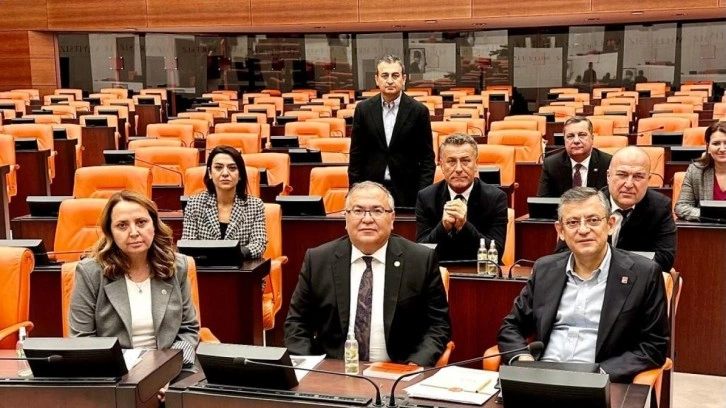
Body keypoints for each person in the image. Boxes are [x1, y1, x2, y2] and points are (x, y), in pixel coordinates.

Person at [498, 187, 669, 383]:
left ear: (611, 224)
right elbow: (511, 326)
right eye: (572, 222)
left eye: (593, 220)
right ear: (560, 231)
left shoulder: (644, 274)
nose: (583, 229)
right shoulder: (545, 269)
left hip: (599, 380)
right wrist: (523, 359)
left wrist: (600, 373)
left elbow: (654, 346)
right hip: (542, 377)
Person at [284, 181, 451, 366]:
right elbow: (296, 324)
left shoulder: (420, 260)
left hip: (398, 370)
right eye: (358, 211)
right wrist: (313, 367)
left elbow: (438, 326)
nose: (367, 219)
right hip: (333, 370)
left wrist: (415, 365)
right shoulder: (318, 260)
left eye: (377, 211)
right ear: (345, 218)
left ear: (392, 218)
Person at [69, 190, 200, 398]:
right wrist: (128, 380)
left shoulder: (177, 266)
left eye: (141, 222)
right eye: (122, 225)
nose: (134, 232)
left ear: (154, 225)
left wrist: (165, 373)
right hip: (113, 375)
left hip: (171, 370)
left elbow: (189, 330)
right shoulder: (90, 272)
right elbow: (82, 339)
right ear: (110, 232)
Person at [348, 55, 435, 208]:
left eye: (395, 75)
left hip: (408, 192)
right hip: (371, 191)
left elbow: (427, 159)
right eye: (384, 75)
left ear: (404, 79)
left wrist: (422, 196)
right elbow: (356, 156)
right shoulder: (363, 109)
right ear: (376, 79)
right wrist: (355, 193)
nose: (389, 81)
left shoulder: (418, 111)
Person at [416, 133, 508, 261]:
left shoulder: (496, 198)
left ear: (476, 164)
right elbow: (421, 252)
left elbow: (496, 251)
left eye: (465, 161)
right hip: (440, 270)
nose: (459, 169)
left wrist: (464, 226)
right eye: (451, 161)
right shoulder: (426, 197)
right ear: (441, 166)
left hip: (479, 270)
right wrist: (443, 227)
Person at [182, 145, 267, 259]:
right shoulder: (194, 204)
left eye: (232, 168)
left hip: (240, 267)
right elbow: (188, 243)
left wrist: (235, 254)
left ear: (240, 174)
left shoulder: (255, 205)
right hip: (204, 268)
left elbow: (259, 244)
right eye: (218, 167)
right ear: (210, 173)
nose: (225, 173)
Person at [538, 116, 612, 197]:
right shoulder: (551, 164)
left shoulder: (607, 163)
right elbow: (543, 201)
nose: (576, 141)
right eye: (570, 136)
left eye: (582, 135)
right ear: (564, 140)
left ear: (592, 138)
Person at [675, 122, 726, 221]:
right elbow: (681, 207)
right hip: (707, 228)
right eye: (716, 143)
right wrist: (711, 215)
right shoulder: (696, 171)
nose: (722, 149)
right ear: (708, 147)